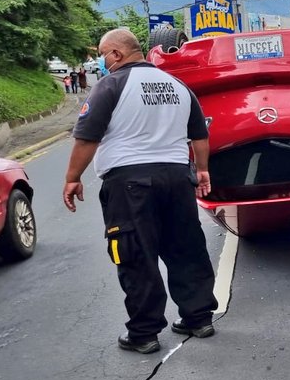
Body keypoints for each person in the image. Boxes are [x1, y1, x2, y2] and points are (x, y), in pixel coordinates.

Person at [62, 28, 218, 355]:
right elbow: (198, 135)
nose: (102, 62)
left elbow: (87, 137)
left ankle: (144, 333)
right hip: (177, 178)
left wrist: (73, 177)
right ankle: (198, 318)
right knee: (186, 247)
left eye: (103, 55)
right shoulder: (178, 85)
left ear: (116, 55)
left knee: (135, 254)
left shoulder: (111, 85)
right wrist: (202, 170)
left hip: (129, 182)